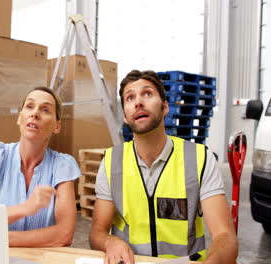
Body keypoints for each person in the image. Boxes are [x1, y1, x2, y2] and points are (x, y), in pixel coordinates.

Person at [90, 70, 238, 264]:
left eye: (148, 94)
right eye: (130, 98)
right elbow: (97, 232)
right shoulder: (111, 162)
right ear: (125, 116)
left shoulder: (200, 158)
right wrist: (110, 242)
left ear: (165, 107)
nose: (138, 102)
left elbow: (225, 235)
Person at [0, 86, 81, 247]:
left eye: (45, 110)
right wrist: (25, 208)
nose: (34, 113)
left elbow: (64, 234)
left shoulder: (62, 166)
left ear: (57, 126)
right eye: (29, 106)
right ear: (19, 118)